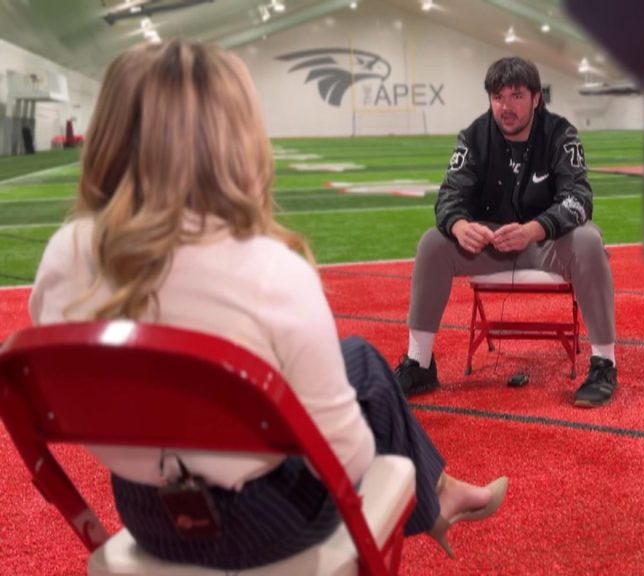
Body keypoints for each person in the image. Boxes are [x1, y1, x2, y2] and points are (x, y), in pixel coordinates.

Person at [28, 40, 506, 570]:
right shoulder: (269, 270)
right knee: (364, 367)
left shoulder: (62, 256)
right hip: (266, 524)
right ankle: (436, 500)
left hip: (146, 514)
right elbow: (348, 458)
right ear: (237, 140)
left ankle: (441, 494)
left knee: (351, 366)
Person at [395, 57, 619, 408]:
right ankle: (419, 364)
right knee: (433, 244)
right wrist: (460, 226)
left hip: (546, 239)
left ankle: (604, 364)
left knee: (589, 240)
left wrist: (533, 230)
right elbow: (449, 196)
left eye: (516, 96)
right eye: (498, 97)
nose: (505, 107)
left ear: (536, 98)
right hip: (492, 241)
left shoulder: (561, 134)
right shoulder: (474, 136)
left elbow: (579, 198)